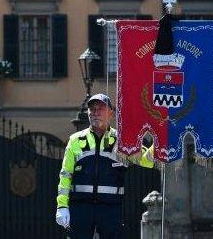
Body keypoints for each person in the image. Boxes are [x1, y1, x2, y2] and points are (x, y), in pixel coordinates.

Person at [55, 93, 155, 239]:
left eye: (100, 108)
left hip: (110, 208)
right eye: (92, 109)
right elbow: (65, 175)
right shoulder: (75, 140)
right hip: (81, 207)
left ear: (110, 113)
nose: (95, 113)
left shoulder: (122, 140)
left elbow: (147, 161)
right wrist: (62, 206)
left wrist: (159, 141)